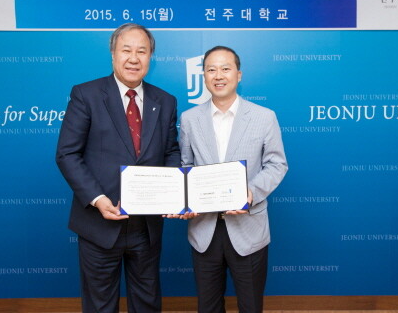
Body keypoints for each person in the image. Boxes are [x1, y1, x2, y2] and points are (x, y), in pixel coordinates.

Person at [56, 23, 180, 313]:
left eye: (142, 51)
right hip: (99, 223)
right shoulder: (86, 94)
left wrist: (176, 193)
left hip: (146, 227)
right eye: (126, 50)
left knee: (147, 304)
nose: (133, 58)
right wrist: (98, 199)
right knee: (100, 306)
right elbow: (67, 154)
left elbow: (171, 152)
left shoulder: (165, 101)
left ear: (150, 57)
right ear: (113, 54)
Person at [178, 46, 288, 312]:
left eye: (225, 69)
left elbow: (277, 164)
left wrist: (250, 193)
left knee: (250, 305)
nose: (218, 75)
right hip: (204, 229)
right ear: (204, 76)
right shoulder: (189, 119)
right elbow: (186, 165)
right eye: (211, 70)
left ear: (238, 75)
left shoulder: (264, 117)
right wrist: (185, 200)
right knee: (208, 306)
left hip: (248, 228)